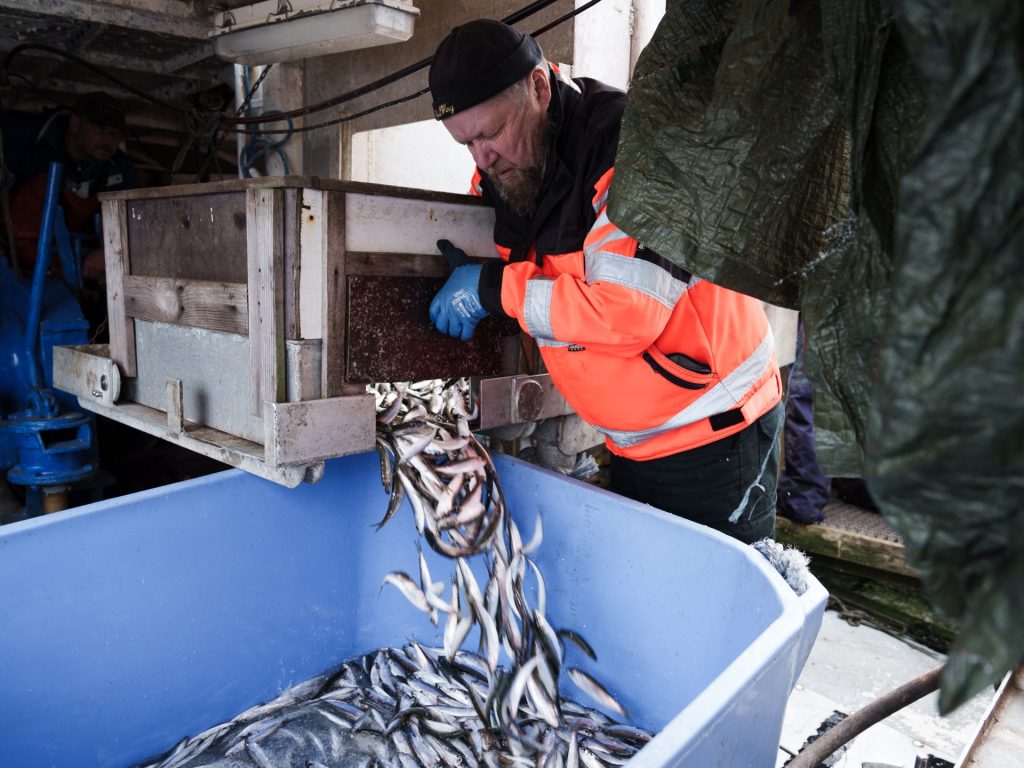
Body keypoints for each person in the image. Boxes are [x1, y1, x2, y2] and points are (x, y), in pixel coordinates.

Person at [427, 19, 785, 544]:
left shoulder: (636, 153)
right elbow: (540, 276)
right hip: (634, 442)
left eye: (491, 133)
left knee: (715, 612)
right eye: (466, 143)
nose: (482, 157)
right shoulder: (505, 174)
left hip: (717, 440)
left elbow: (628, 312)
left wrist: (492, 289)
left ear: (540, 88)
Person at [0, 92, 137, 280]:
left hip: (65, 266)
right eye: (102, 129)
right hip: (10, 257)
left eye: (116, 135)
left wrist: (109, 250)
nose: (109, 141)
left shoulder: (119, 170)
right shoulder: (26, 140)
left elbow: (134, 219)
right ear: (75, 123)